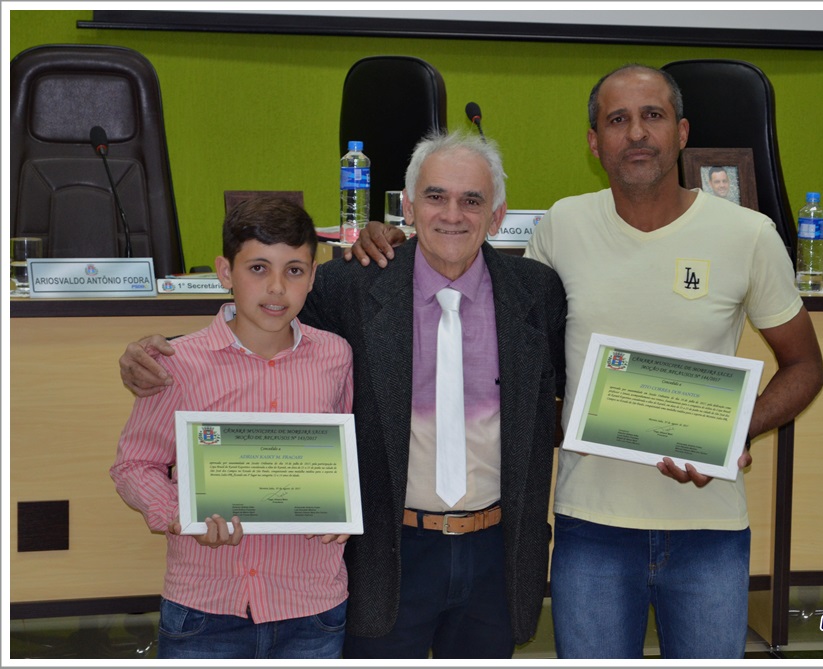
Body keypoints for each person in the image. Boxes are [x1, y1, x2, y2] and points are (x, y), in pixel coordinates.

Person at [347, 64, 823, 659]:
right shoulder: (563, 226)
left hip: (708, 527)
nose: (637, 133)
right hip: (590, 528)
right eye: (617, 120)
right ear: (595, 143)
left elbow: (806, 366)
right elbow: (500, 320)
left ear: (682, 132)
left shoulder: (748, 234)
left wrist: (736, 429)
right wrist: (400, 241)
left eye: (652, 116)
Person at [118, 132, 567, 659]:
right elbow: (263, 323)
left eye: (472, 200)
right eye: (435, 196)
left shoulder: (537, 292)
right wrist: (159, 355)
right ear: (408, 207)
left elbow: (561, 393)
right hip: (387, 550)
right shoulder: (349, 286)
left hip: (496, 548)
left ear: (497, 216)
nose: (452, 214)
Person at [110, 197, 354, 659]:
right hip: (206, 607)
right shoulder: (179, 363)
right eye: (258, 268)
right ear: (225, 272)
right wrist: (181, 514)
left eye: (295, 270)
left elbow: (345, 452)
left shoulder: (335, 356)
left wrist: (344, 508)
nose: (277, 287)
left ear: (312, 277)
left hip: (312, 604)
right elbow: (133, 465)